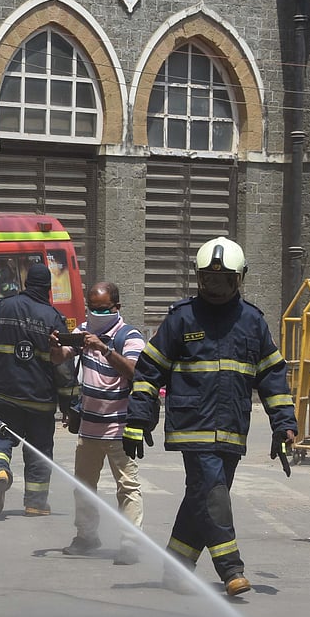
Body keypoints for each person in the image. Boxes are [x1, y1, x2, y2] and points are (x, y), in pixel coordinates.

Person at [125, 237, 296, 597]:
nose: (214, 288)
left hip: (233, 427)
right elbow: (148, 371)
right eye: (208, 280)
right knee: (214, 494)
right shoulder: (181, 318)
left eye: (222, 281)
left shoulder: (252, 321)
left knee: (201, 497)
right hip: (193, 427)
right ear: (198, 278)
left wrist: (284, 424)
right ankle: (231, 569)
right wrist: (138, 420)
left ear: (240, 279)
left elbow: (272, 376)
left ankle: (176, 567)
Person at [0, 262, 78, 517]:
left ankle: (1, 471)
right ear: (47, 288)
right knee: (39, 450)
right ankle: (35, 503)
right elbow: (63, 368)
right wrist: (68, 405)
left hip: (5, 395)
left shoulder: (3, 307)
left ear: (26, 284)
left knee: (0, 439)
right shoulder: (52, 317)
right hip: (40, 400)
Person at [56, 282, 146, 565]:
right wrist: (56, 347)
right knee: (84, 486)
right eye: (91, 308)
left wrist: (104, 349)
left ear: (116, 307)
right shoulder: (84, 331)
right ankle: (86, 537)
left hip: (120, 428)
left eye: (102, 309)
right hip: (89, 428)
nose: (95, 313)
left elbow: (135, 372)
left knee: (128, 487)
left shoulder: (129, 336)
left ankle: (131, 544)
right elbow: (59, 358)